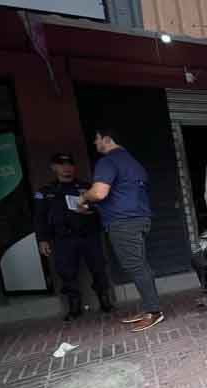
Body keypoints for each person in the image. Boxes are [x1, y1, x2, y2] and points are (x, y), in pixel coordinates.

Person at [78, 128, 163, 332]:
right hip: (139, 219)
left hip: (124, 223)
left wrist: (83, 198)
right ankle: (149, 307)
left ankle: (154, 311)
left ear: (107, 139)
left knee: (135, 266)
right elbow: (123, 194)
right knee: (140, 264)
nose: (95, 143)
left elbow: (99, 192)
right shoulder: (133, 162)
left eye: (96, 139)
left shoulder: (108, 161)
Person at [34, 153, 113, 321]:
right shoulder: (46, 192)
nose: (66, 168)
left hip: (89, 236)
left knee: (98, 268)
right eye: (61, 165)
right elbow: (40, 218)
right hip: (63, 239)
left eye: (69, 164)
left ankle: (105, 301)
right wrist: (42, 239)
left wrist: (92, 211)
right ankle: (74, 306)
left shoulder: (86, 187)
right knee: (66, 273)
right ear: (54, 168)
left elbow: (101, 208)